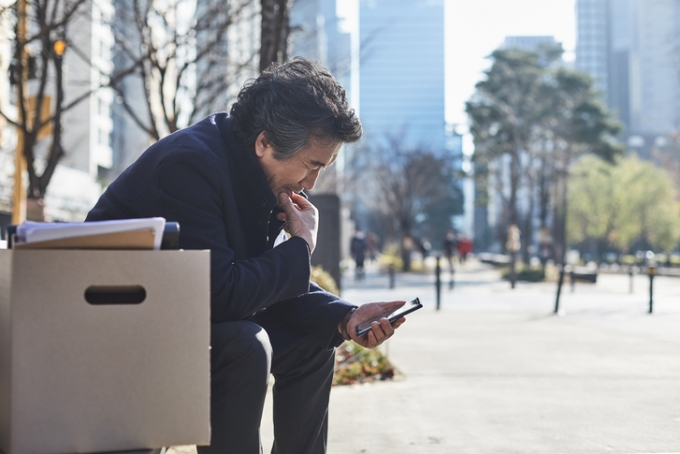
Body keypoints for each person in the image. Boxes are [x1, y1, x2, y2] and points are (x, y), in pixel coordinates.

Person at [86, 58, 406, 454]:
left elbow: (250, 281)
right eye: (311, 166)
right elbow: (222, 295)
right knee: (245, 342)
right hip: (116, 326)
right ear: (265, 142)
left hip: (178, 309)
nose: (311, 184)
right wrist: (302, 245)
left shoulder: (252, 171)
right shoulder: (190, 165)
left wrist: (343, 316)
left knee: (311, 344)